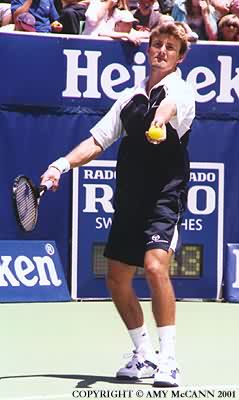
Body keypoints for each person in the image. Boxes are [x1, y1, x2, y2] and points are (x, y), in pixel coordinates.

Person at [40, 21, 195, 387]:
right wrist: (60, 165)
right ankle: (142, 355)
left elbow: (170, 107)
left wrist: (159, 120)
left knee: (155, 266)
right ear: (148, 48)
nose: (160, 51)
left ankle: (169, 360)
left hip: (164, 198)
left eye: (169, 47)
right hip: (129, 199)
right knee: (117, 278)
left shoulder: (182, 91)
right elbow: (97, 141)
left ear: (179, 57)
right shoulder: (127, 99)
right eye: (156, 44)